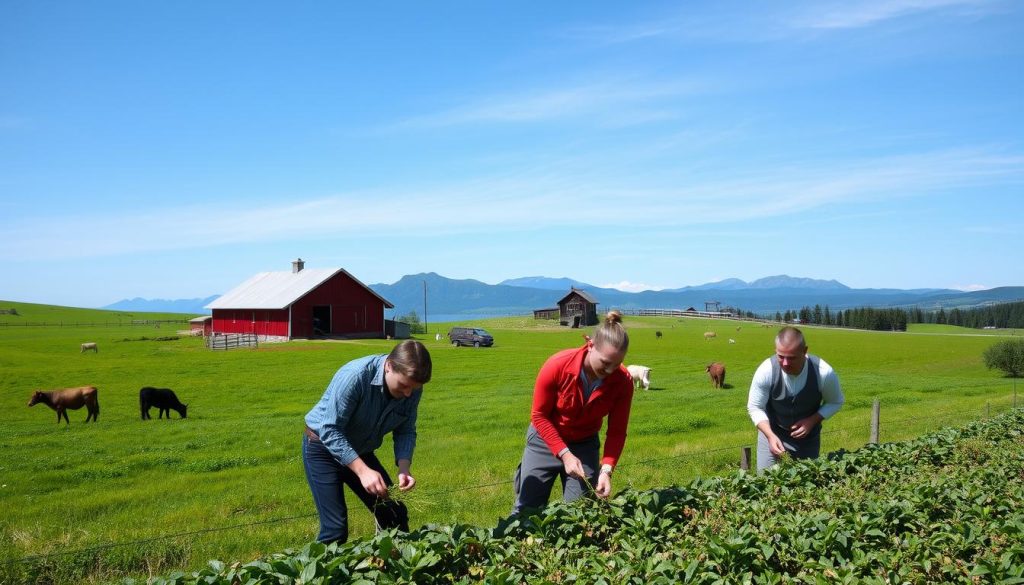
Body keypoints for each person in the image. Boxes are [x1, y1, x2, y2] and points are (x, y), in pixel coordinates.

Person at [302, 339, 432, 544]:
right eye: (403, 386)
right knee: (335, 529)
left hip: (360, 448)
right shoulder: (355, 376)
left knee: (394, 514)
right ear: (389, 366)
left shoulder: (412, 387)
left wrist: (404, 468)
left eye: (413, 389)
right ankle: (313, 575)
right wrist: (363, 472)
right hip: (323, 448)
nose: (408, 394)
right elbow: (329, 429)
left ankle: (389, 570)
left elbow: (405, 428)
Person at [512, 310, 634, 514]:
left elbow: (617, 431)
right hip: (545, 440)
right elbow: (539, 416)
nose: (610, 370)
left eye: (616, 364)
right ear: (590, 345)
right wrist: (565, 454)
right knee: (527, 509)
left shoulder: (623, 381)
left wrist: (607, 470)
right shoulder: (557, 365)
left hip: (584, 445)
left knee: (581, 512)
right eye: (605, 363)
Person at [747, 326, 844, 471]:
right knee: (766, 484)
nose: (785, 363)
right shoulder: (766, 370)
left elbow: (836, 401)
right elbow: (755, 407)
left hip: (808, 440)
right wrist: (770, 435)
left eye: (791, 358)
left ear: (805, 351)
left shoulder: (824, 373)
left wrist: (812, 421)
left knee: (806, 484)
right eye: (780, 356)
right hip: (771, 434)